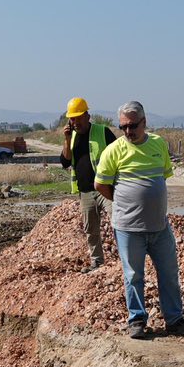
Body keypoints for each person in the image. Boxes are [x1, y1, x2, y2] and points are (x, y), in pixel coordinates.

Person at [95, 101, 184, 339]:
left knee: (169, 273)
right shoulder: (113, 150)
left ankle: (174, 320)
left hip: (159, 226)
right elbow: (100, 185)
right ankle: (137, 320)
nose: (128, 131)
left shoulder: (158, 144)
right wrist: (124, 201)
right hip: (128, 229)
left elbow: (163, 176)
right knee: (133, 276)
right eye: (123, 127)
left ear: (144, 122)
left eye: (132, 126)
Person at [58, 96, 116, 271]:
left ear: (87, 116)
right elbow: (65, 162)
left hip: (106, 188)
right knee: (91, 229)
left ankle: (126, 260)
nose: (75, 122)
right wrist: (67, 139)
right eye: (72, 119)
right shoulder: (71, 137)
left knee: (117, 222)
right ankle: (97, 262)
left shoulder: (103, 132)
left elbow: (118, 155)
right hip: (85, 192)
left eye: (78, 118)